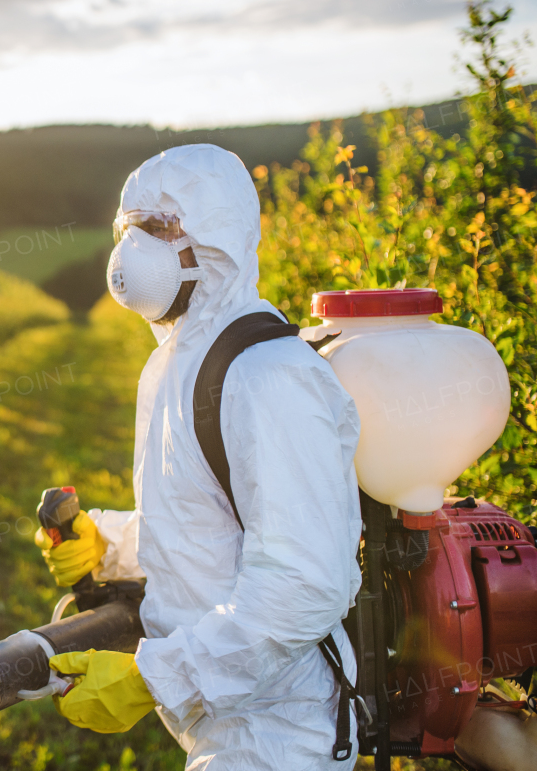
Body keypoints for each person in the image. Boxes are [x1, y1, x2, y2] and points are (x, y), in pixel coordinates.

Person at [37, 144, 363, 770]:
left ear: (216, 239)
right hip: (225, 713)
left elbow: (302, 585)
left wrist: (153, 679)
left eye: (158, 228)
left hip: (281, 729)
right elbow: (209, 528)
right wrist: (107, 542)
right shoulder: (177, 366)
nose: (132, 250)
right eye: (127, 228)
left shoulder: (269, 375)